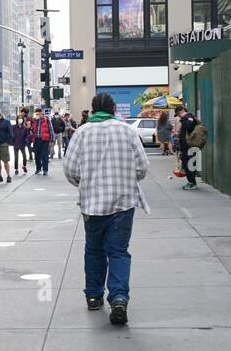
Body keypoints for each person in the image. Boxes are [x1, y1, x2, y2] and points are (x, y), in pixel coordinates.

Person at [63, 92, 149, 326]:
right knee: (119, 251)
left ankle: (93, 295)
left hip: (92, 203)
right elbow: (142, 167)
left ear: (92, 109)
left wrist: (86, 183)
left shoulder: (81, 133)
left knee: (94, 250)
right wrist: (126, 179)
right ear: (113, 109)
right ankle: (119, 297)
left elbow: (70, 169)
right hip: (123, 202)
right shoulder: (127, 130)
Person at [177, 106, 201, 189]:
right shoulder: (186, 118)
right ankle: (191, 182)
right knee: (187, 164)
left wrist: (183, 118)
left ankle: (192, 183)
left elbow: (189, 126)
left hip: (189, 146)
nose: (179, 116)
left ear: (182, 111)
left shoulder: (189, 117)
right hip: (186, 146)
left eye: (178, 113)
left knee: (189, 164)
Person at [0, 111, 13, 184]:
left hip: (3, 144)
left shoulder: (6, 122)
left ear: (0, 115)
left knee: (5, 161)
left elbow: (10, 132)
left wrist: (8, 141)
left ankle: (8, 176)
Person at [34, 108, 53, 176]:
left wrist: (52, 139)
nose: (37, 115)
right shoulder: (35, 121)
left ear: (41, 113)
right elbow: (33, 130)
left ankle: (45, 170)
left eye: (38, 114)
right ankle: (38, 169)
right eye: (36, 114)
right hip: (36, 140)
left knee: (44, 155)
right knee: (37, 155)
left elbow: (51, 129)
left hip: (44, 140)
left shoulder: (47, 120)